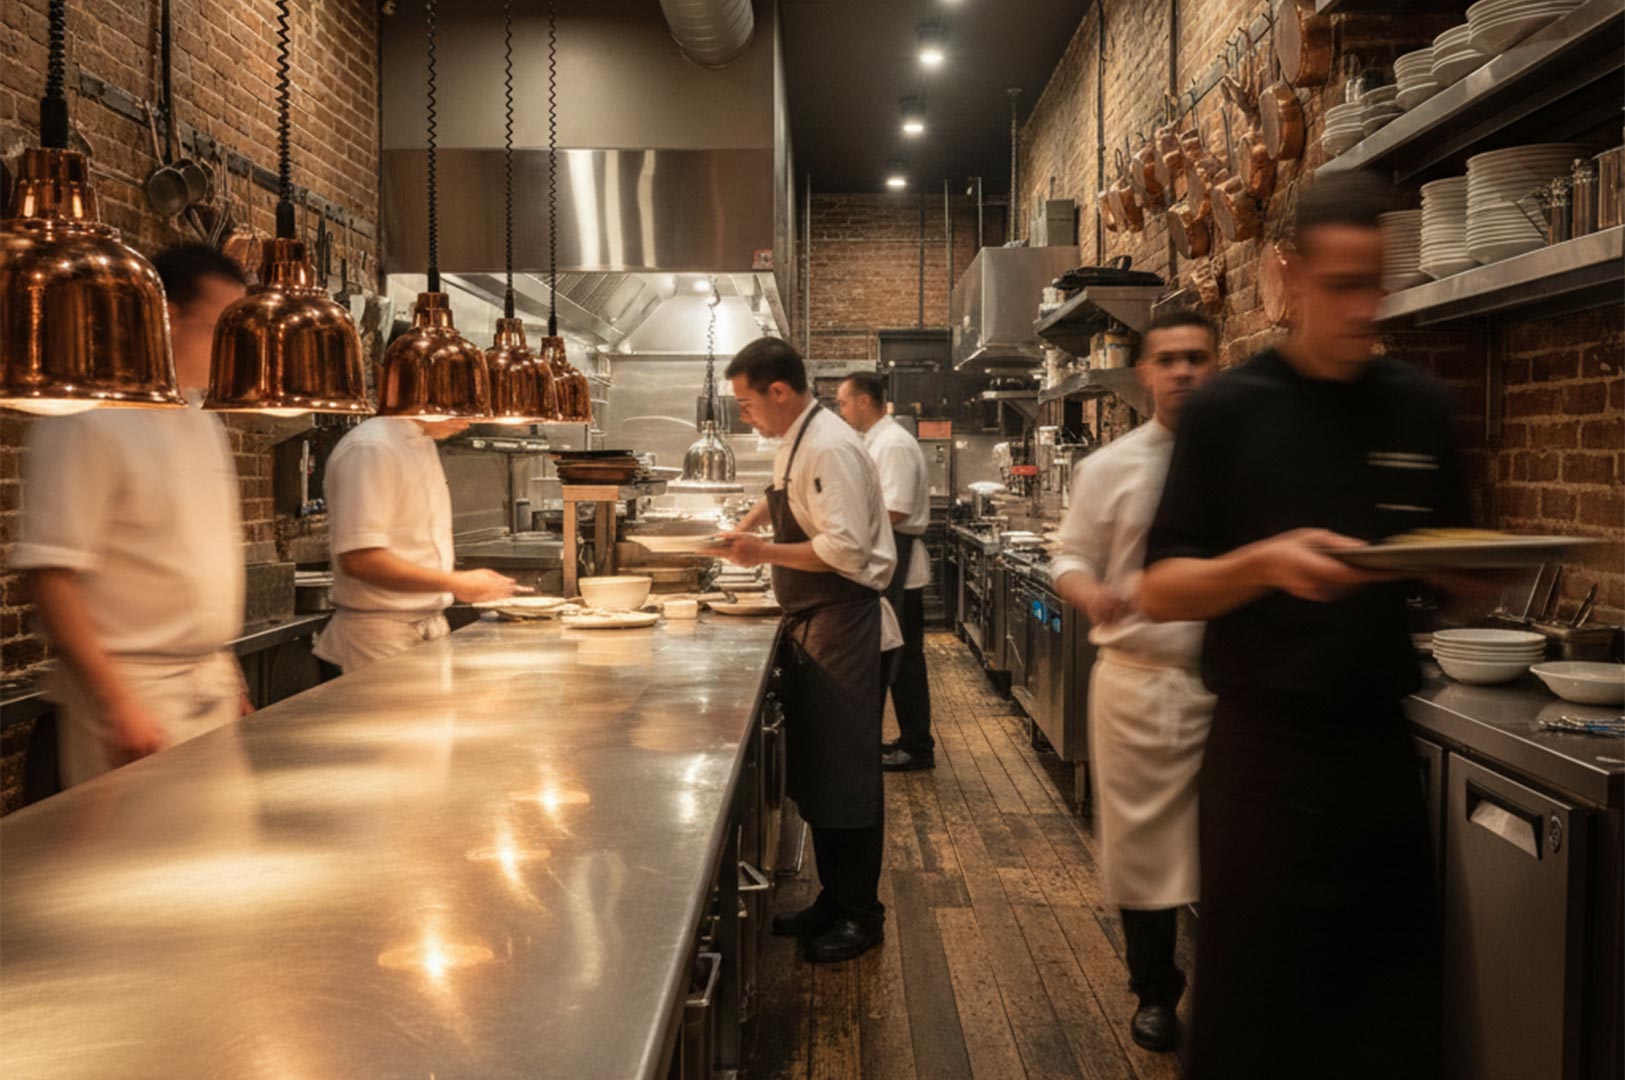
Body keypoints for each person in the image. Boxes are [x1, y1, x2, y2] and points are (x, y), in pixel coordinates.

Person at [1139, 171, 1475, 1078]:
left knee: (1391, 1026)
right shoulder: (1227, 411)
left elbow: (1466, 579)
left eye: (1375, 283)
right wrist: (1261, 564)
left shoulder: (1417, 405)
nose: (1363, 309)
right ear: (1287, 275)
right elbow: (1160, 587)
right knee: (1256, 1024)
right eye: (1340, 286)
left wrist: (1437, 558)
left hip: (1378, 757)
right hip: (1263, 762)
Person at [11, 244, 253, 786]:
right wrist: (118, 703)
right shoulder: (87, 418)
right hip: (133, 703)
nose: (232, 350)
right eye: (222, 328)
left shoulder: (201, 418)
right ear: (166, 318)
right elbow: (51, 577)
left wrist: (228, 679)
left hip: (205, 685)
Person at [1051, 309, 1220, 1053]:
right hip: (1137, 681)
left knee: (1229, 849)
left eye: (1197, 358)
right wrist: (1090, 594)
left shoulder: (1243, 459)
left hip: (1230, 687)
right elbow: (1069, 557)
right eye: (1169, 360)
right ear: (1145, 372)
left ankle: (1233, 994)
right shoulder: (1108, 467)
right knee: (1144, 852)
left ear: (1217, 365)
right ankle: (1155, 992)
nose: (1182, 371)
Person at [717, 338, 899, 964]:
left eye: (746, 403)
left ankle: (860, 914)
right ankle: (833, 897)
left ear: (779, 391)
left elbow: (846, 550)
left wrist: (760, 554)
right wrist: (740, 531)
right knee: (823, 778)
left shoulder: (829, 445)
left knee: (848, 778)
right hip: (817, 622)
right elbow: (784, 503)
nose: (745, 415)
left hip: (844, 624)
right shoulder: (796, 441)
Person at [313, 414, 521, 673]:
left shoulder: (421, 443)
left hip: (426, 632)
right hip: (376, 641)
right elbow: (360, 559)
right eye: (460, 405)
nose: (469, 419)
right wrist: (457, 582)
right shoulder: (371, 448)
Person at [835, 371, 935, 772]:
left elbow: (896, 509)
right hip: (891, 555)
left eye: (843, 402)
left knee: (904, 660)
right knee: (899, 658)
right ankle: (911, 739)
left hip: (899, 559)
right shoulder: (876, 441)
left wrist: (845, 528)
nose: (840, 411)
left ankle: (918, 747)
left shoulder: (892, 444)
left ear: (864, 401)